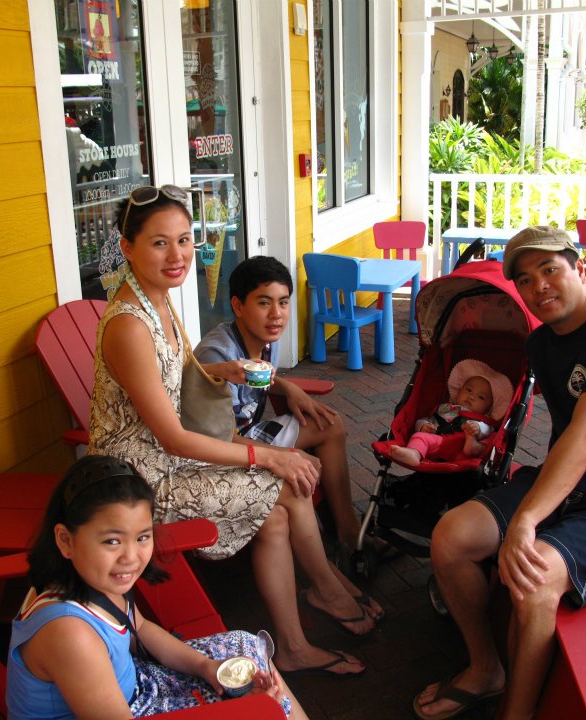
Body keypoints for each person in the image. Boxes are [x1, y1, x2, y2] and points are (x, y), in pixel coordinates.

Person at [87, 185, 374, 678]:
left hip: (168, 458)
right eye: (160, 243)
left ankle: (296, 639)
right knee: (285, 481)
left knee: (277, 513)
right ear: (128, 247)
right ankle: (324, 595)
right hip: (138, 481)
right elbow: (174, 437)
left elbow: (177, 382)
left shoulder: (160, 303)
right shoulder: (129, 325)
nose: (177, 255)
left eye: (184, 240)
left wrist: (221, 372)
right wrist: (269, 455)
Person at [414, 226, 586, 720]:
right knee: (450, 536)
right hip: (564, 483)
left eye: (550, 270)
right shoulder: (541, 344)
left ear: (580, 269)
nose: (540, 287)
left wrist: (527, 520)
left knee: (533, 581)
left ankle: (516, 712)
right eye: (526, 280)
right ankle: (485, 668)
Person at [6, 455, 308, 719]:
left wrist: (206, 667)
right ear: (65, 541)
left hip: (133, 690)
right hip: (125, 708)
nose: (130, 557)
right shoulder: (70, 634)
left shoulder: (93, 579)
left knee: (246, 651)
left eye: (142, 537)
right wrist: (240, 713)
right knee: (267, 710)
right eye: (112, 541)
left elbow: (140, 628)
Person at [193, 257, 392, 592]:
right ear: (238, 306)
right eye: (264, 303)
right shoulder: (217, 355)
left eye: (283, 302)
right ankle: (322, 565)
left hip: (243, 434)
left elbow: (258, 377)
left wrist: (287, 387)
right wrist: (280, 457)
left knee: (329, 423)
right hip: (219, 454)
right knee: (304, 466)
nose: (277, 314)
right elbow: (216, 438)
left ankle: (348, 534)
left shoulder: (262, 339)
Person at [389, 359, 512, 467]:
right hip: (439, 441)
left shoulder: (483, 419)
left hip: (463, 446)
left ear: (489, 408)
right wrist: (423, 426)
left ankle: (472, 446)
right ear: (459, 391)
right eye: (468, 390)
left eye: (481, 397)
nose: (471, 396)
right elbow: (427, 419)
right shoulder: (446, 408)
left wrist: (477, 428)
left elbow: (487, 429)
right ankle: (414, 453)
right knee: (420, 436)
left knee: (492, 438)